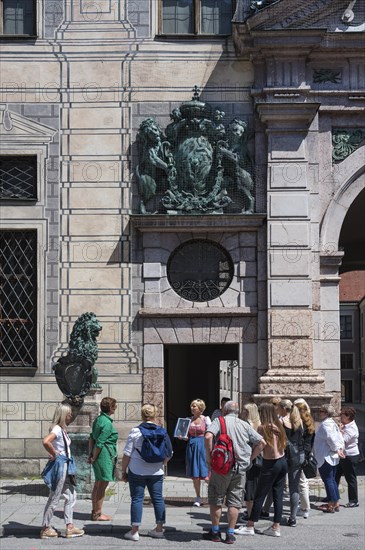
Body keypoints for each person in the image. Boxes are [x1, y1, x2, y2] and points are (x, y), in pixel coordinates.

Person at [204, 401, 265, 544]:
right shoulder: (244, 424)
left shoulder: (219, 421)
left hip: (221, 468)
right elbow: (262, 443)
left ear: (224, 411)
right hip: (240, 469)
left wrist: (209, 456)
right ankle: (230, 534)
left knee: (216, 499)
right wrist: (250, 459)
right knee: (234, 502)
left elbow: (208, 436)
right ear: (237, 412)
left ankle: (215, 532)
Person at [121, 404, 172, 541]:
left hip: (137, 470)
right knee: (158, 498)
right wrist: (162, 464)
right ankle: (159, 529)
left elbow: (127, 454)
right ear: (155, 415)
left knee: (137, 499)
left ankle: (134, 532)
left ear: (142, 415)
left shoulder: (135, 431)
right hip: (156, 472)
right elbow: (169, 453)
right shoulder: (162, 431)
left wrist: (123, 470)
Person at [237, 402, 288, 537]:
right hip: (282, 461)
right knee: (278, 495)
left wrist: (251, 458)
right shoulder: (279, 425)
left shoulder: (262, 427)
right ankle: (276, 527)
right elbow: (285, 442)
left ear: (264, 413)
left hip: (270, 463)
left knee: (260, 495)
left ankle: (250, 525)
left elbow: (261, 444)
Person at [40, 403, 84, 539]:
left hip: (65, 465)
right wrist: (54, 453)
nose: (71, 415)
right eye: (69, 413)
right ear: (64, 415)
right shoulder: (58, 429)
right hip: (61, 466)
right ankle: (46, 528)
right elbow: (46, 441)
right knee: (55, 496)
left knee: (71, 495)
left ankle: (69, 527)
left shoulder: (61, 429)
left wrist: (54, 452)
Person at [88, 397, 118, 521]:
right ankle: (98, 513)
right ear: (111, 408)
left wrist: (91, 454)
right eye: (114, 406)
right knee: (102, 485)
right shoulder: (106, 423)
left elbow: (91, 438)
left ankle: (94, 511)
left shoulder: (98, 420)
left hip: (98, 453)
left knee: (98, 484)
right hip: (104, 455)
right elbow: (100, 442)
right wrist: (94, 457)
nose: (115, 408)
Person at [313, 404, 344, 513]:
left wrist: (336, 449)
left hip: (326, 455)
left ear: (326, 413)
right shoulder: (332, 423)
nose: (319, 412)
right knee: (332, 479)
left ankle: (331, 503)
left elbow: (331, 439)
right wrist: (339, 448)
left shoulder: (326, 425)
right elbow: (339, 437)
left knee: (328, 480)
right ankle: (335, 502)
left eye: (321, 411)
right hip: (330, 455)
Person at [278, 399, 305, 527]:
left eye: (279, 408)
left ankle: (277, 516)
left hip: (285, 455)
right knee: (294, 488)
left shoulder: (281, 421)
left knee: (279, 486)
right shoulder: (299, 421)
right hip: (299, 455)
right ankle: (292, 517)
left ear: (284, 409)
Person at [183, 398, 212, 506]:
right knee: (195, 472)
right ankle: (198, 497)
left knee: (206, 472)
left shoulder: (206, 419)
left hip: (203, 446)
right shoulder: (188, 420)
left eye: (194, 406)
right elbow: (186, 435)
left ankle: (211, 495)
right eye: (192, 405)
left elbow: (211, 434)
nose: (192, 408)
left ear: (200, 408)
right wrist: (184, 437)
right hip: (192, 446)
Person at [240, 403, 262, 520]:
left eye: (244, 410)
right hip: (259, 459)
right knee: (255, 487)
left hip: (250, 458)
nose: (242, 412)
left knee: (249, 488)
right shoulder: (260, 423)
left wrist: (250, 458)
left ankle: (250, 515)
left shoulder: (248, 424)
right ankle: (253, 513)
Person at [335, 406, 360, 507]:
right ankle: (333, 496)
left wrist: (339, 431)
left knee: (350, 478)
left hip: (350, 456)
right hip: (342, 455)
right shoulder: (345, 425)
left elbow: (343, 440)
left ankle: (354, 500)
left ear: (348, 416)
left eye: (342, 414)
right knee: (335, 476)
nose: (340, 416)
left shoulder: (352, 428)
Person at [295, 399, 315, 519]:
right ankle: (304, 506)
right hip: (307, 453)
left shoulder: (299, 423)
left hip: (300, 453)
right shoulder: (309, 420)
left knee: (301, 482)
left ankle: (304, 508)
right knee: (303, 482)